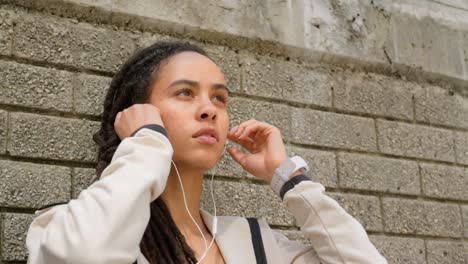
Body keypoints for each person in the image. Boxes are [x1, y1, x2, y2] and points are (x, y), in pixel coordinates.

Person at [25, 41, 387, 264]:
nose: (209, 109)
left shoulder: (257, 244)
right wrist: (145, 143)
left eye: (219, 98)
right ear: (138, 114)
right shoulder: (66, 227)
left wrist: (289, 178)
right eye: (185, 92)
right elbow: (84, 257)